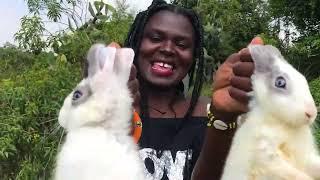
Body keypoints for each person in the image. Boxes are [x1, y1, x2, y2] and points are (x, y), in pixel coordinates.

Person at [121, 0, 262, 179]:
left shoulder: (209, 113)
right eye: (156, 38)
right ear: (136, 42)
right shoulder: (106, 107)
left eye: (181, 44)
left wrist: (223, 119)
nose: (167, 49)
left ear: (194, 56)